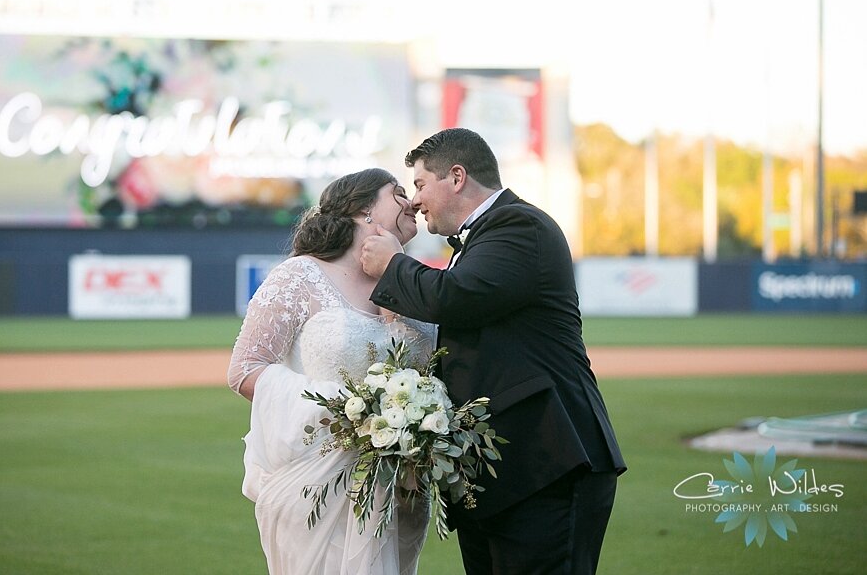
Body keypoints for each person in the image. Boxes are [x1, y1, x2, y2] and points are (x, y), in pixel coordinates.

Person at [361, 128, 626, 575]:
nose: (415, 202)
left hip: (550, 465)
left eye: (422, 185)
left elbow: (455, 297)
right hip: (506, 475)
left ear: (457, 177)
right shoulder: (483, 237)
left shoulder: (519, 226)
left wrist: (393, 264)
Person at [227, 168, 435, 574]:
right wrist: (347, 411)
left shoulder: (417, 281)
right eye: (397, 193)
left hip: (399, 486)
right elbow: (245, 368)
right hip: (318, 480)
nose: (411, 201)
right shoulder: (299, 275)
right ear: (363, 211)